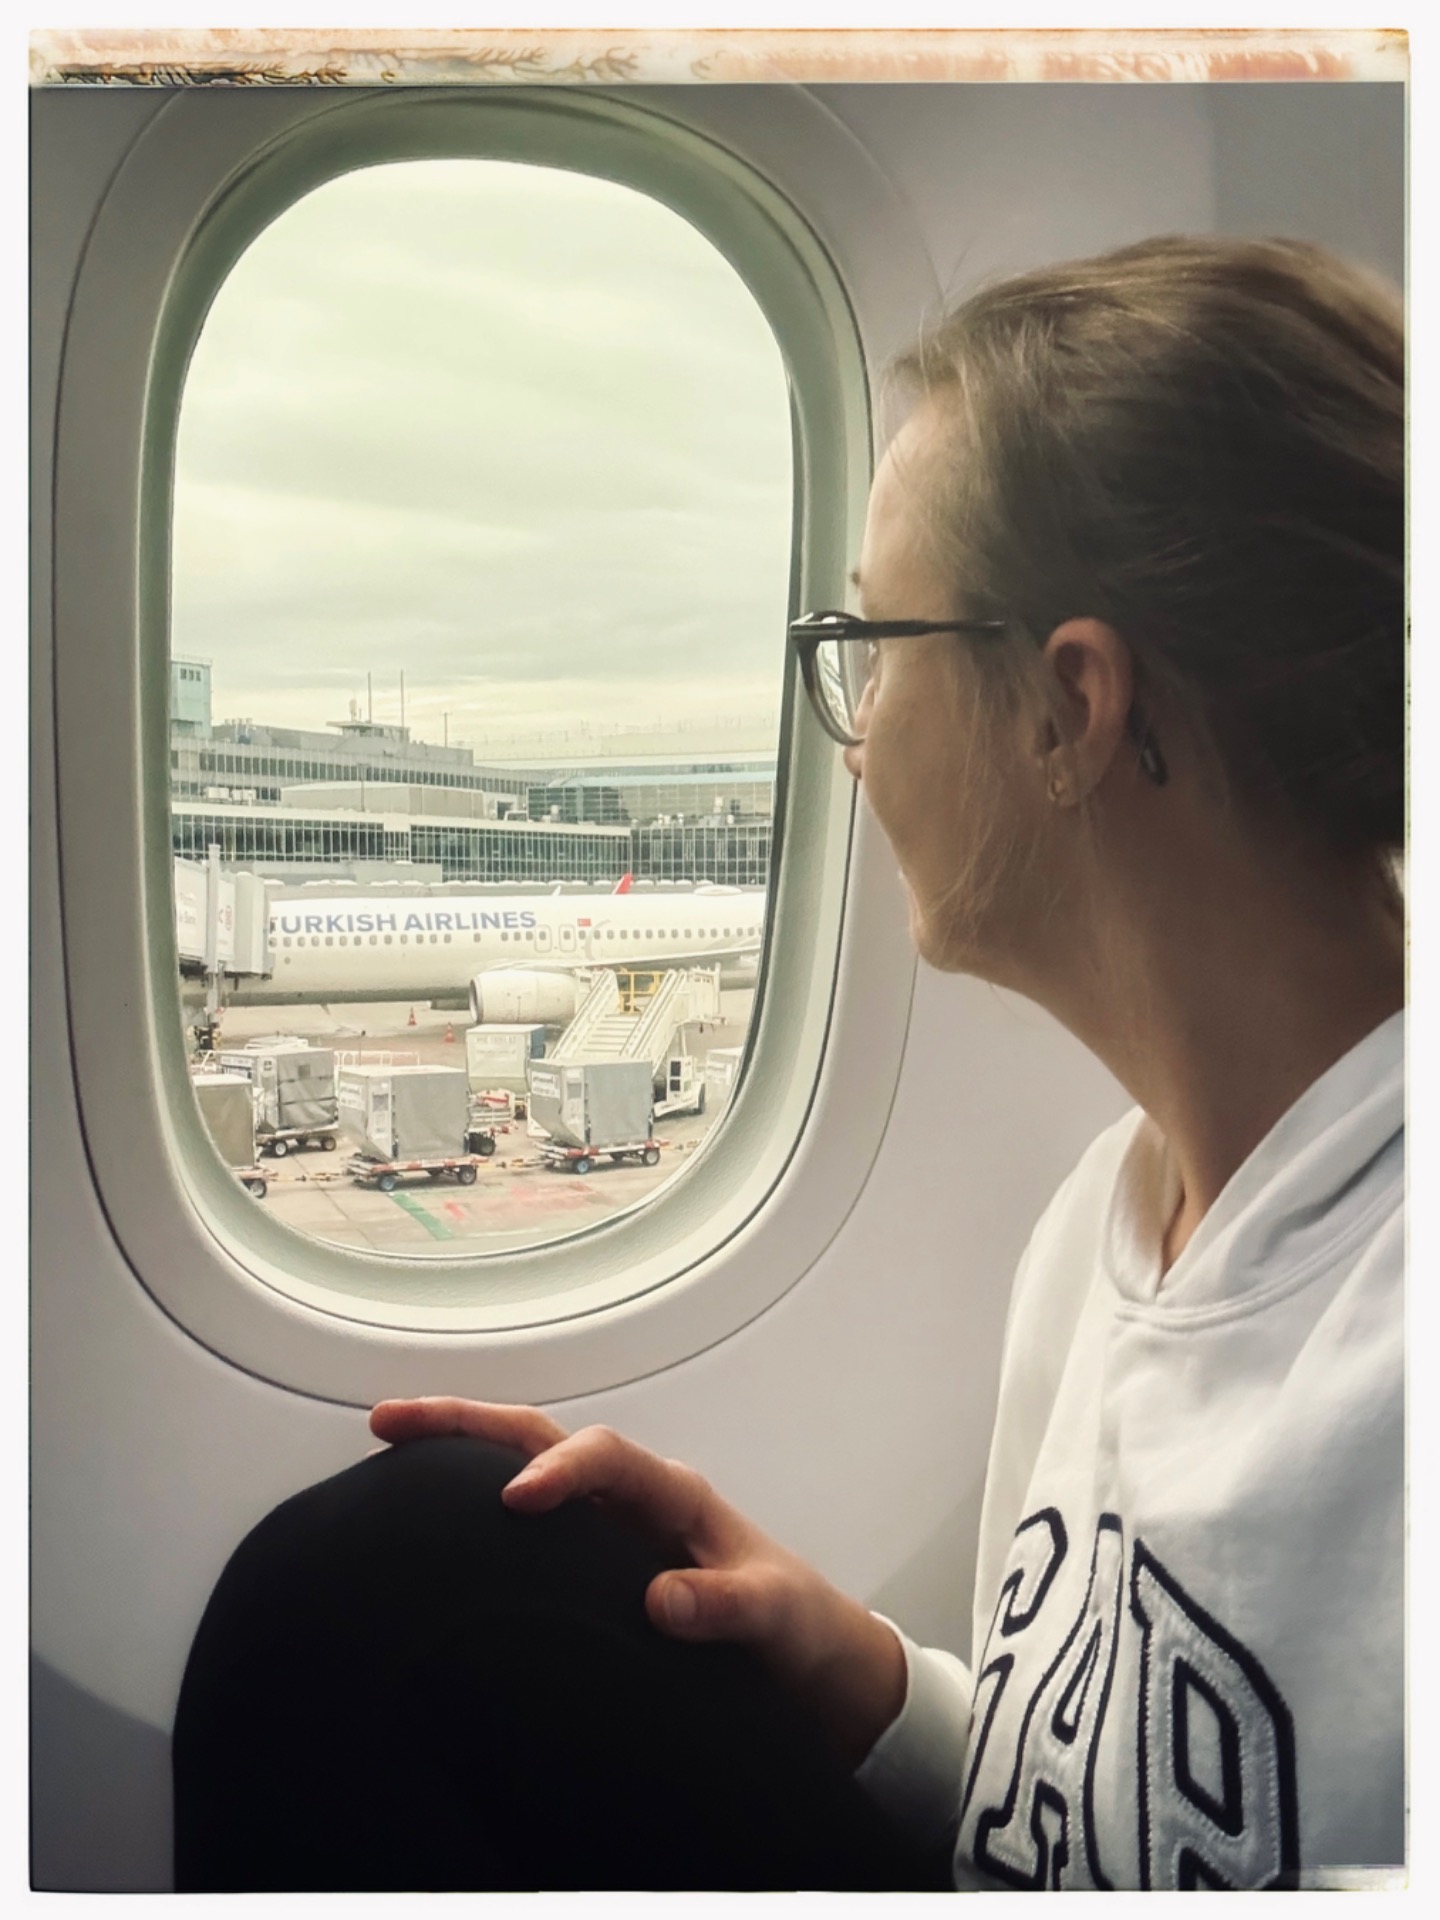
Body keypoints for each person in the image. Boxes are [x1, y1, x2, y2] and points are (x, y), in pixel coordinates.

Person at [172, 234, 1404, 1891]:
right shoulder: (1100, 1241)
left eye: (874, 645)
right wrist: (866, 1679)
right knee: (406, 1580)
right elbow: (1106, 1827)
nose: (859, 734)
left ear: (1069, 709)